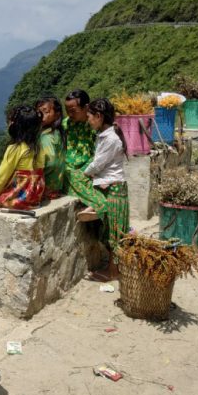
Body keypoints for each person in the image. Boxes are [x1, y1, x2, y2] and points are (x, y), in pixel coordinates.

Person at [76, 98, 130, 281]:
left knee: (114, 233)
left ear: (98, 116)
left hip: (114, 189)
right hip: (110, 186)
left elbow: (98, 164)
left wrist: (84, 174)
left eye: (90, 116)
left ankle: (113, 272)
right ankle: (96, 206)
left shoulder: (111, 139)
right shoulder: (106, 135)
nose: (88, 120)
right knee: (110, 231)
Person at [0, 105, 44, 209]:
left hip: (21, 197)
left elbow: (2, 177)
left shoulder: (15, 149)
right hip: (35, 196)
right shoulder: (39, 147)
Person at [35, 96, 66, 199]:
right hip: (56, 187)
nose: (41, 115)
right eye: (39, 112)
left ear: (57, 115)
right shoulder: (58, 132)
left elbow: (51, 162)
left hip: (46, 189)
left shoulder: (47, 137)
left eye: (46, 112)